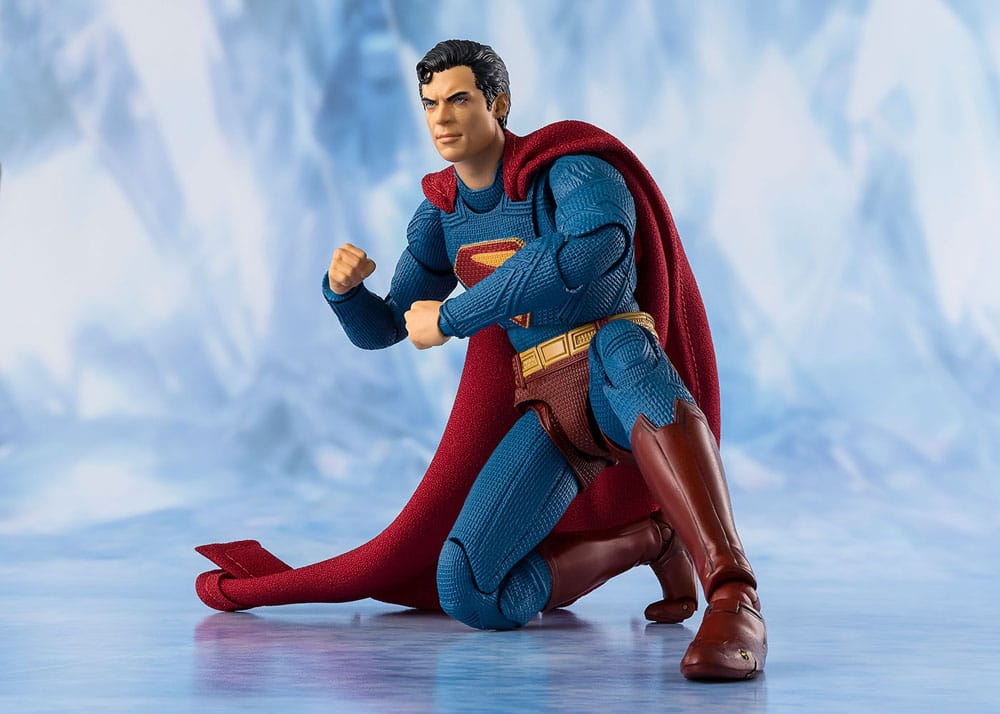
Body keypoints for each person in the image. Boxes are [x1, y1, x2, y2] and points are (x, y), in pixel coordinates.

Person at [196, 39, 766, 681]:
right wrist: (345, 294)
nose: (441, 117)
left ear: (498, 103)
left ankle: (734, 594)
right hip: (548, 401)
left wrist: (454, 316)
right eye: (430, 104)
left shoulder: (569, 169)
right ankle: (651, 540)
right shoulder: (442, 215)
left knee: (624, 351)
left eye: (459, 99)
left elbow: (589, 253)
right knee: (468, 586)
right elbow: (388, 326)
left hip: (616, 368)